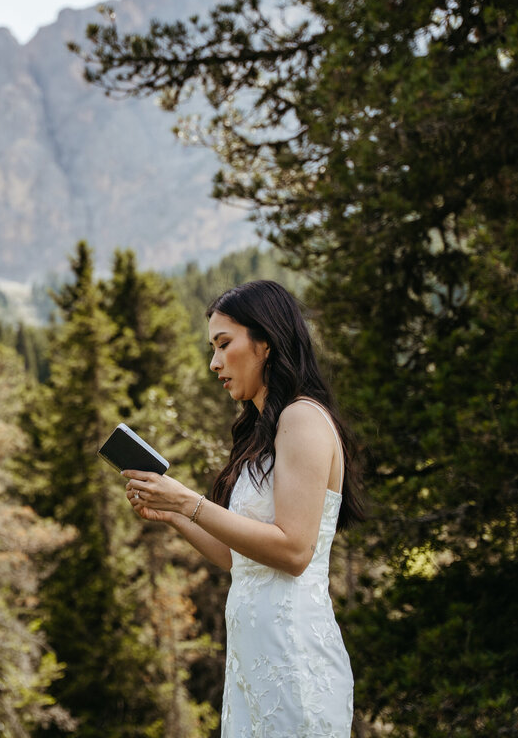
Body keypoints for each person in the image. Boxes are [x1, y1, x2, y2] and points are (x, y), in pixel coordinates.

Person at [122, 280, 364, 737]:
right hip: (254, 665)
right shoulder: (264, 431)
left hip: (293, 661)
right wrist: (172, 512)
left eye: (223, 345)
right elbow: (240, 558)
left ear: (265, 342)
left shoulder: (301, 417)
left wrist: (189, 502)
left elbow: (294, 551)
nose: (214, 363)